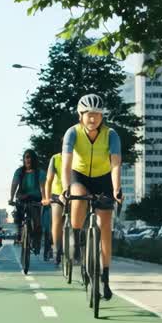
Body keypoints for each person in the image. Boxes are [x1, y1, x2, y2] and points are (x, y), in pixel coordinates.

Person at [62, 93, 123, 301]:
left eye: (97, 114)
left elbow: (115, 164)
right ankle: (76, 236)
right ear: (80, 115)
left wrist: (117, 189)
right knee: (78, 195)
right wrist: (65, 188)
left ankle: (105, 277)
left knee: (105, 227)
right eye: (88, 114)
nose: (93, 118)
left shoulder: (111, 135)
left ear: (102, 116)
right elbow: (66, 164)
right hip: (79, 175)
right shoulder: (72, 133)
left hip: (103, 178)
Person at [10, 150, 46, 254]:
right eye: (26, 157)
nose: (28, 159)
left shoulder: (40, 172)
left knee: (37, 224)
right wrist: (11, 198)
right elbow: (14, 184)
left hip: (35, 199)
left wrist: (44, 199)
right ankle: (19, 232)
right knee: (18, 216)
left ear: (34, 159)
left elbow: (42, 187)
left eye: (30, 157)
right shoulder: (19, 171)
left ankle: (36, 242)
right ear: (24, 159)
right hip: (22, 198)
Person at [42, 151, 66, 266]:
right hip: (57, 194)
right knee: (57, 221)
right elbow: (49, 180)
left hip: (74, 193)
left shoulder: (79, 155)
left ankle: (77, 245)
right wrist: (47, 198)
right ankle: (57, 249)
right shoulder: (55, 158)